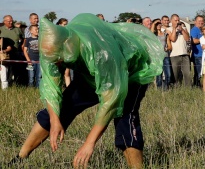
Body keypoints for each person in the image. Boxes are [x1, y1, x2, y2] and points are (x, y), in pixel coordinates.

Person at [11, 13, 164, 168]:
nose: (56, 64)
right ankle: (19, 159)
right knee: (62, 108)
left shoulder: (102, 53)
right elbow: (50, 89)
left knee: (125, 118)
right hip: (90, 75)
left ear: (68, 46)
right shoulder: (51, 48)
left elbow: (111, 100)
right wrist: (54, 119)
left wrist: (89, 144)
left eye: (59, 60)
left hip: (129, 73)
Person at [168, 14, 191, 86]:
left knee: (187, 73)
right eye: (175, 20)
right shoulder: (169, 29)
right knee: (175, 74)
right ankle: (176, 87)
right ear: (171, 21)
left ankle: (188, 88)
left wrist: (182, 30)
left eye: (178, 20)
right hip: (174, 55)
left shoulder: (184, 28)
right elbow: (173, 39)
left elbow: (187, 39)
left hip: (184, 54)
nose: (177, 22)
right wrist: (175, 29)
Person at [152, 17, 173, 90]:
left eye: (159, 24)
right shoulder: (153, 34)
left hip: (165, 56)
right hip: (157, 56)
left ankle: (167, 87)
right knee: (159, 74)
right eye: (157, 24)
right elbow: (151, 32)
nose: (158, 25)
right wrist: (155, 23)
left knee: (168, 74)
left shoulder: (165, 34)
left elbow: (170, 46)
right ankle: (159, 88)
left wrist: (167, 48)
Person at [56, 18, 72, 86]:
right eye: (64, 24)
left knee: (67, 74)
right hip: (58, 56)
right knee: (58, 74)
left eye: (67, 24)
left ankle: (69, 90)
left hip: (66, 56)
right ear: (59, 24)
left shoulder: (68, 34)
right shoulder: (56, 33)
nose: (66, 26)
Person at [191, 15, 205, 87]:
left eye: (202, 21)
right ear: (195, 22)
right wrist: (204, 39)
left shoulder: (203, 30)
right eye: (199, 21)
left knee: (204, 72)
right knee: (198, 72)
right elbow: (193, 40)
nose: (201, 22)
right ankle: (196, 85)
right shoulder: (194, 30)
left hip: (204, 54)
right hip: (198, 55)